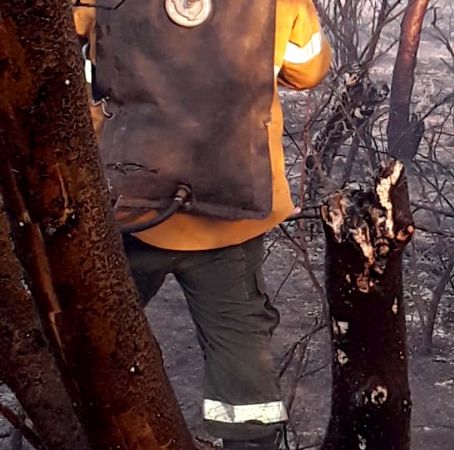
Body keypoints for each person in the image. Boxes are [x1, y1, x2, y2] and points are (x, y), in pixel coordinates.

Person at [73, 1, 331, 449]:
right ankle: (250, 441)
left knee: (87, 335)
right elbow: (307, 70)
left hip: (124, 204)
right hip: (228, 213)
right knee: (240, 355)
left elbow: (50, 40)